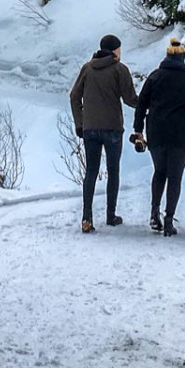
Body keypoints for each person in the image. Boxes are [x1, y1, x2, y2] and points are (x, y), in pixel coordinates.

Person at [132, 37, 185, 237]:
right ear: (183, 58)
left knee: (159, 172)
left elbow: (141, 104)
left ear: (166, 57)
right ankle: (168, 219)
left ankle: (153, 212)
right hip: (181, 135)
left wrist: (138, 128)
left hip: (157, 132)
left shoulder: (155, 76)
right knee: (175, 176)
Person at [69, 33, 138, 233]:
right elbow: (130, 98)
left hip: (90, 128)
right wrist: (149, 104)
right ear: (115, 49)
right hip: (113, 128)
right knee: (113, 170)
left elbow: (74, 96)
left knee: (91, 171)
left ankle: (87, 218)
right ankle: (111, 215)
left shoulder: (87, 68)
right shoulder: (120, 69)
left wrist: (80, 123)